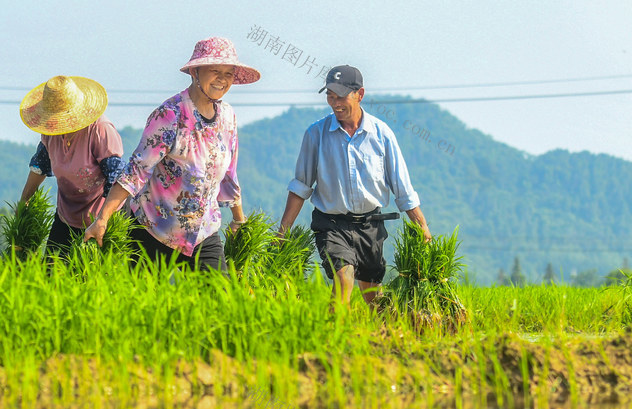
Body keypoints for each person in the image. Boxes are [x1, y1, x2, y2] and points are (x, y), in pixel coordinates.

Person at [84, 37, 259, 272]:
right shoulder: (170, 114)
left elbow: (228, 174)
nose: (222, 79)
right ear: (195, 72)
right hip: (154, 229)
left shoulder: (227, 117)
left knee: (221, 298)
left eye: (228, 73)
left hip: (203, 233)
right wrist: (103, 218)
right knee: (143, 303)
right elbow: (136, 171)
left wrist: (239, 219)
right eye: (214, 71)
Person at [277, 65, 432, 305]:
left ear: (360, 94)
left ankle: (378, 338)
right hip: (331, 224)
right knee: (344, 279)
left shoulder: (382, 135)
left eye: (341, 96)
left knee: (373, 296)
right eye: (330, 95)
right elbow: (301, 186)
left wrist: (422, 226)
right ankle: (333, 339)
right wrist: (283, 230)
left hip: (370, 225)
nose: (334, 102)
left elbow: (402, 187)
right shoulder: (316, 134)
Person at [19, 76, 124, 260]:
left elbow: (116, 180)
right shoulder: (51, 133)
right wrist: (24, 201)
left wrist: (102, 220)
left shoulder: (99, 130)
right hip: (66, 215)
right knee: (52, 274)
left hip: (101, 216)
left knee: (92, 279)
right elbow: (40, 166)